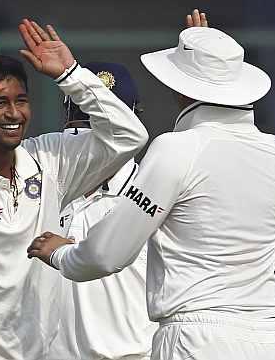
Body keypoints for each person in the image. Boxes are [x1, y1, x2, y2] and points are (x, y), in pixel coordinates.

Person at [27, 13, 275, 360]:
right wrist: (205, 57)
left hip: (194, 340)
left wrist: (60, 253)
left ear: (182, 89)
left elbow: (106, 255)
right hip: (265, 337)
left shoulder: (175, 149)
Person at [0, 19, 148, 360]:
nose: (13, 113)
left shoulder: (49, 160)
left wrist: (70, 75)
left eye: (21, 100)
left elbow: (130, 136)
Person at [52, 61, 158, 360]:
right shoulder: (44, 183)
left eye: (104, 128)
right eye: (84, 125)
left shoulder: (154, 193)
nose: (92, 140)